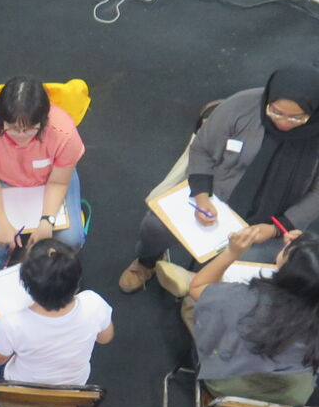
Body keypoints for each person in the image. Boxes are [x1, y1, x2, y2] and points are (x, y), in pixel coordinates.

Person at [120, 64, 319, 293]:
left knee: (252, 270)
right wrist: (202, 197)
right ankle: (147, 262)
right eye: (275, 111)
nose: (283, 122)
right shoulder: (241, 106)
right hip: (217, 199)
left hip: (272, 221)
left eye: (297, 118)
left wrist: (275, 228)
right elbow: (202, 149)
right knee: (155, 226)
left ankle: (200, 295)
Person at [0, 75, 86, 274]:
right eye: (12, 129)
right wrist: (2, 222)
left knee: (72, 239)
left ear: (44, 121)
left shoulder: (64, 133)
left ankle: (45, 260)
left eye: (29, 130)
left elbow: (58, 182)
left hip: (50, 180)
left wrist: (47, 220)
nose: (21, 136)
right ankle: (1, 256)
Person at [187, 226, 319, 406]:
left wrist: (232, 252)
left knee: (190, 307)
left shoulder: (246, 300)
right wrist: (308, 252)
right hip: (290, 398)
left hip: (228, 387)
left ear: (290, 271)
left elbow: (197, 287)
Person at [0, 239, 114, 386]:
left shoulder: (13, 324)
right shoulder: (94, 304)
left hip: (22, 387)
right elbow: (105, 338)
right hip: (74, 387)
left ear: (26, 285)